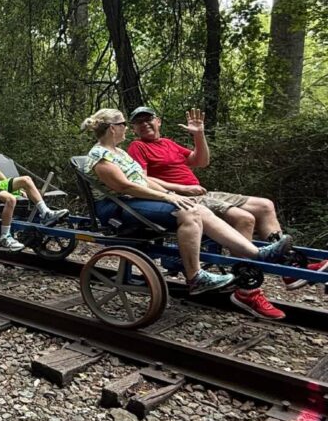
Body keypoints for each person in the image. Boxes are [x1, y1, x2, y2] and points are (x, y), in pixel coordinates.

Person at [81, 108, 291, 318]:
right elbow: (124, 187)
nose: (126, 128)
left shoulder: (119, 152)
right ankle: (195, 277)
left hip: (134, 200)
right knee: (188, 213)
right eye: (123, 124)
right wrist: (167, 197)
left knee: (196, 208)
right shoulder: (100, 155)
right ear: (112, 128)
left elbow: (143, 180)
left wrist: (170, 192)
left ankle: (257, 254)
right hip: (118, 207)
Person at [127, 106, 326, 290]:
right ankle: (243, 284)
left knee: (265, 205)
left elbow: (201, 161)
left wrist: (199, 135)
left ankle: (288, 268)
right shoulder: (138, 147)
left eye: (148, 119)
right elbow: (142, 179)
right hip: (182, 196)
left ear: (158, 121)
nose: (145, 124)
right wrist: (182, 189)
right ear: (134, 129)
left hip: (202, 192)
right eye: (139, 122)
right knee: (244, 218)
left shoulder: (168, 144)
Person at [0, 119, 69, 251]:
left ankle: (46, 213)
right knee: (10, 200)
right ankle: (5, 236)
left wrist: (13, 186)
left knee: (26, 180)